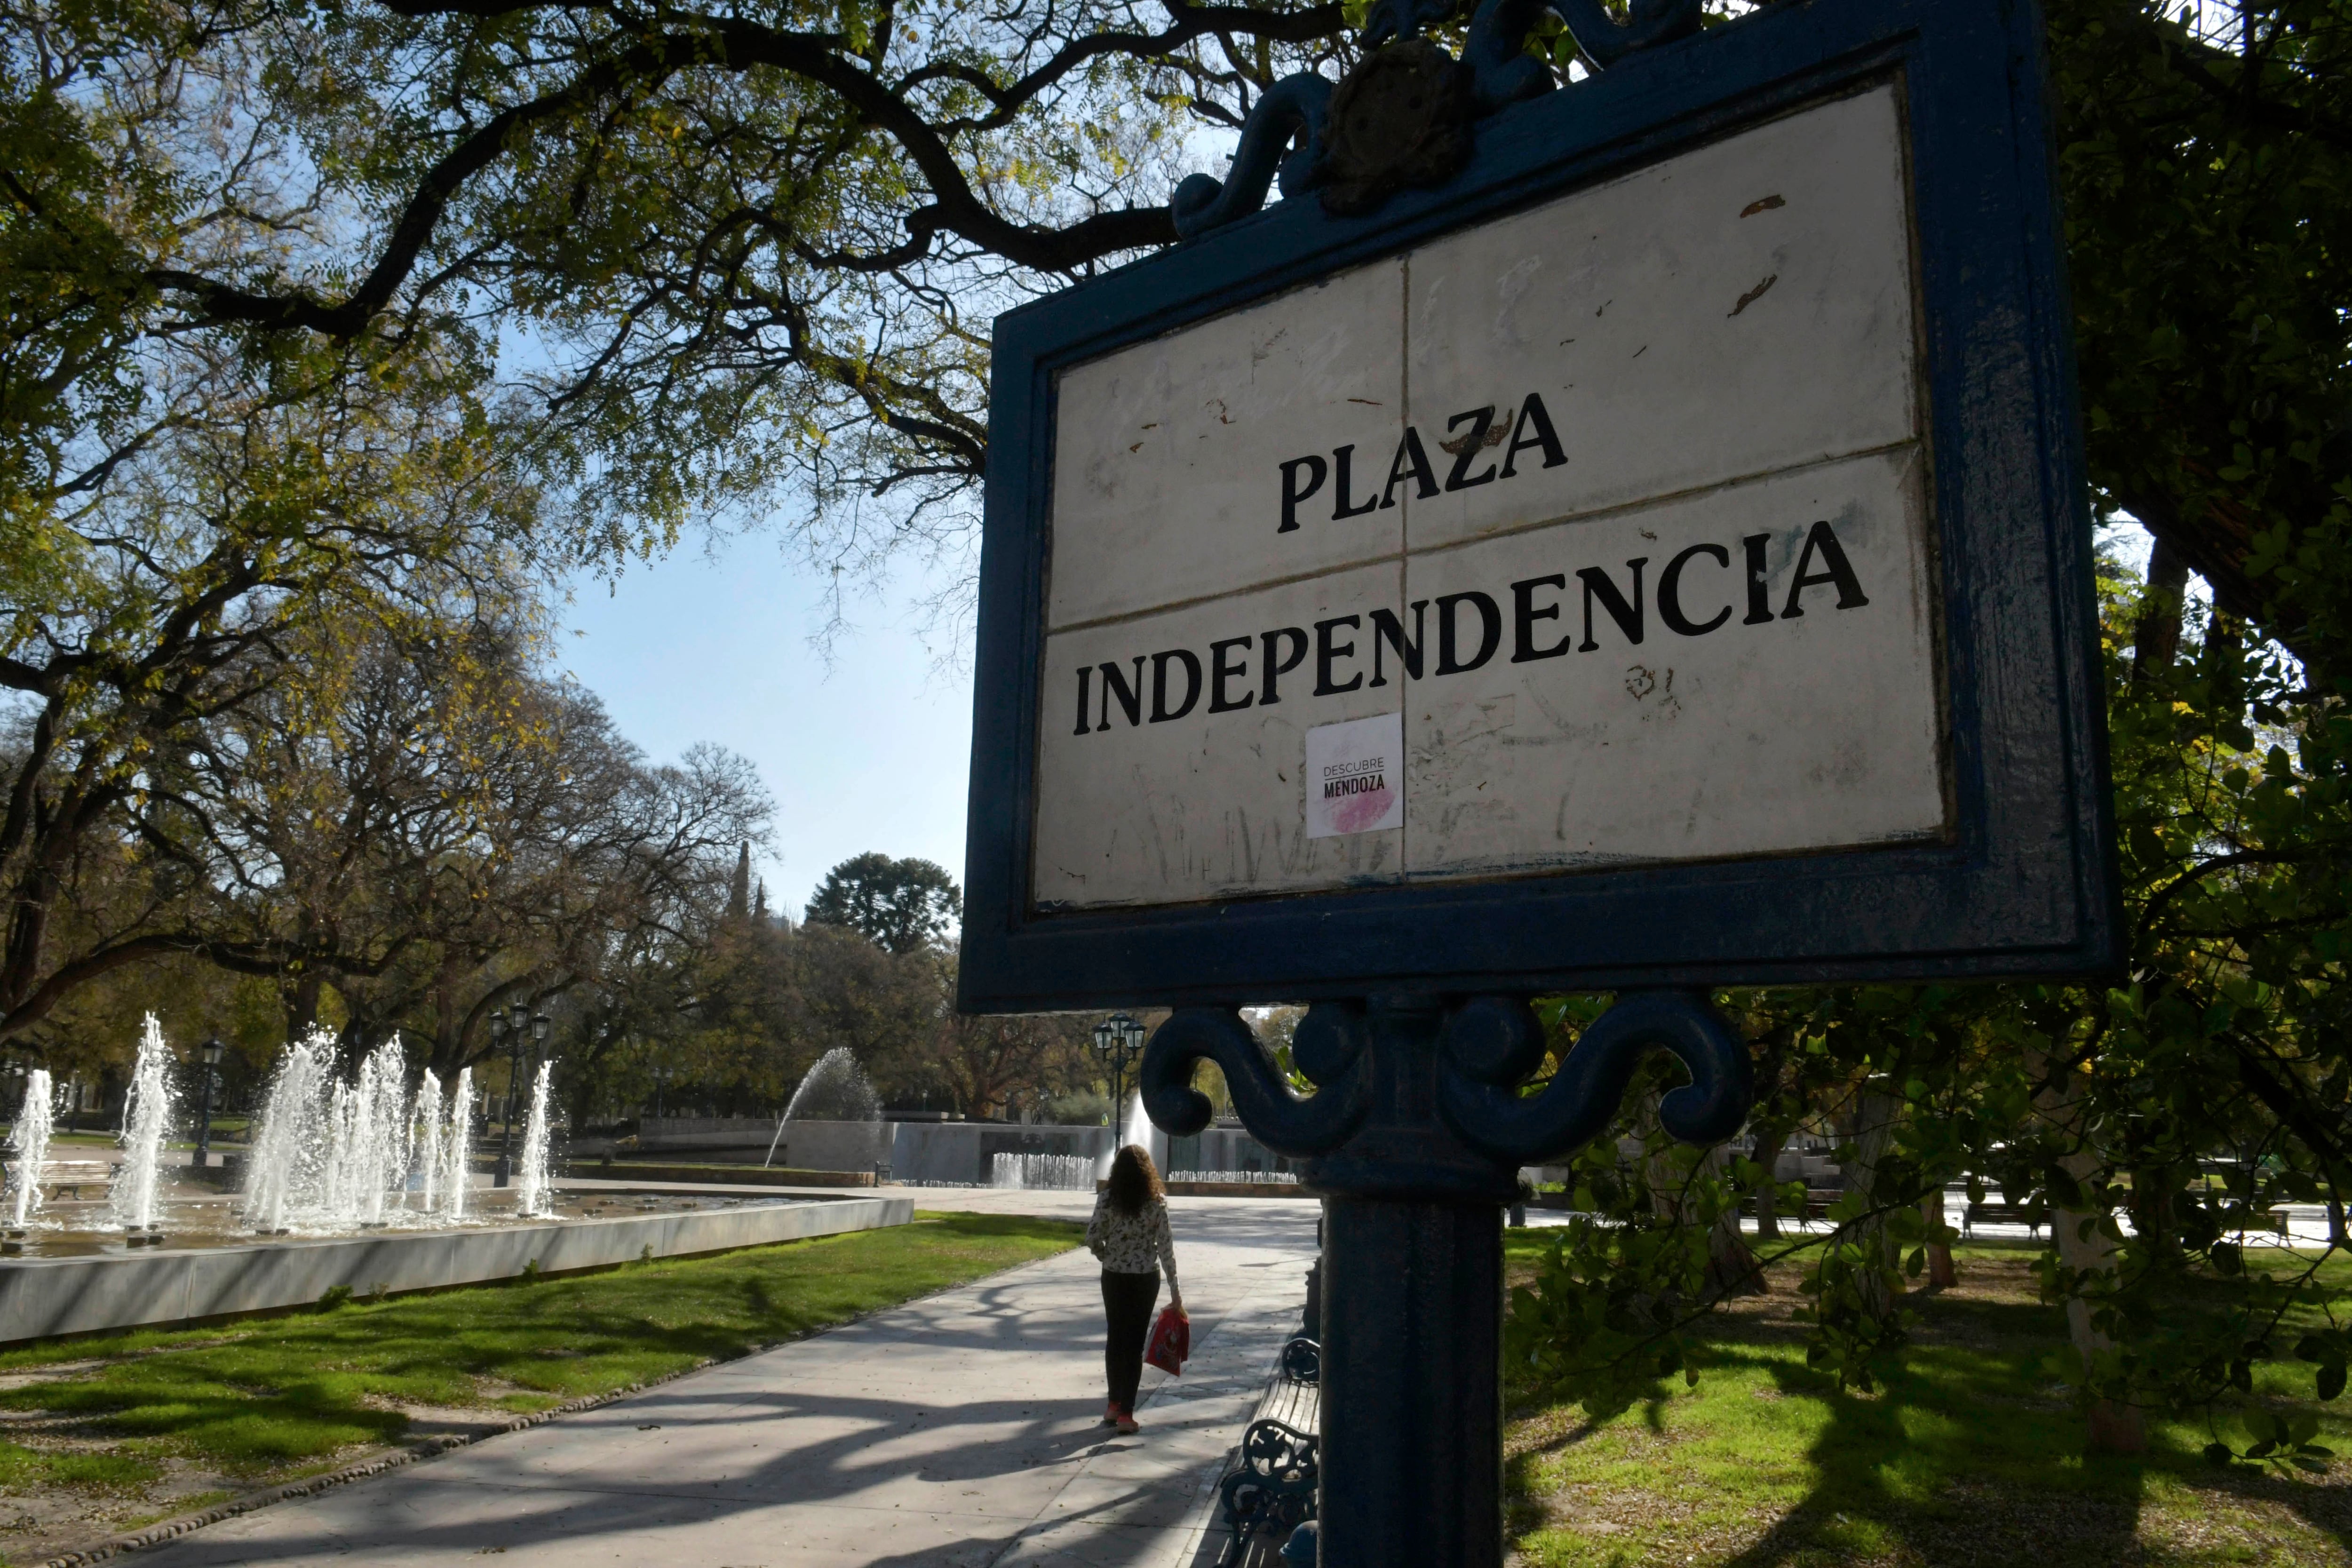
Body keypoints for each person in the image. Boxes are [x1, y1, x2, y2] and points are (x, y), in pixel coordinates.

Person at [1087, 1143, 1183, 1434]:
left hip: (1114, 1276)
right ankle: (1128, 1413)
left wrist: (1107, 1255)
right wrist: (1176, 1292)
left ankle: (1113, 1404)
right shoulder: (1157, 1203)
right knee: (1134, 1343)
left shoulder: (1106, 1201)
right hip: (1145, 1279)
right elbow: (1166, 1250)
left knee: (1115, 1338)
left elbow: (1092, 1237)